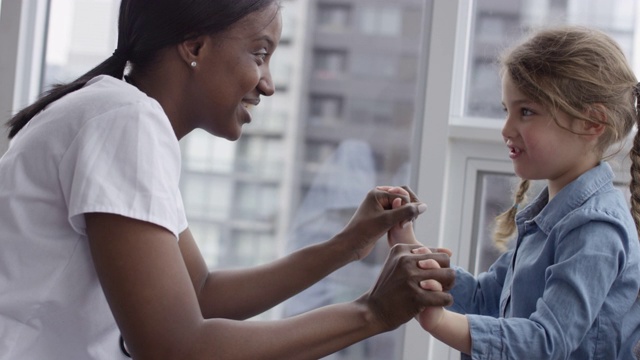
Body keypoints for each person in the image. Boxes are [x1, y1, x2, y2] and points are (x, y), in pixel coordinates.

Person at [0, 1, 456, 359]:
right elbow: (175, 349)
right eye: (260, 54)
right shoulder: (125, 121)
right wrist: (372, 313)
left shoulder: (119, 114)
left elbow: (201, 295)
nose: (268, 84)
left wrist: (347, 246)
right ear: (194, 46)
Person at [388, 26, 640, 359]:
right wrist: (413, 251)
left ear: (591, 123)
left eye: (526, 112)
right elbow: (486, 298)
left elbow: (545, 341)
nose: (506, 129)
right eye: (507, 110)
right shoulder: (551, 216)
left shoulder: (595, 229)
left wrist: (438, 321)